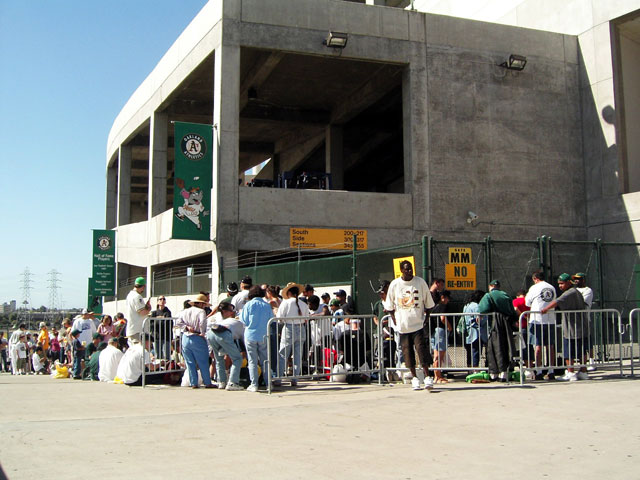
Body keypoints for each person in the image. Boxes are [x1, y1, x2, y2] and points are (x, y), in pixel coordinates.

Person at [383, 260, 436, 391]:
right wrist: (394, 319)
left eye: (411, 268)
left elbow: (429, 303)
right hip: (403, 326)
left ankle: (428, 376)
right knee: (407, 352)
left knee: (421, 350)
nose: (409, 271)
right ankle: (414, 378)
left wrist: (426, 318)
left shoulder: (420, 282)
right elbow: (389, 305)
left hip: (417, 324)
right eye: (406, 269)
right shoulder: (395, 284)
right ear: (401, 270)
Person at [541, 273, 589, 381]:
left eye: (562, 283)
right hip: (579, 326)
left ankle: (571, 372)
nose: (560, 286)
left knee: (569, 350)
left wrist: (545, 310)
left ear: (568, 283)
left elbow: (557, 302)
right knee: (581, 349)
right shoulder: (576, 292)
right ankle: (583, 370)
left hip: (572, 327)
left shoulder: (569, 292)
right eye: (559, 284)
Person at [479, 280, 518, 381]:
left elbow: (483, 309)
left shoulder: (489, 296)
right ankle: (505, 372)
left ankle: (495, 373)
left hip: (495, 325)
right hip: (506, 325)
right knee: (506, 347)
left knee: (494, 349)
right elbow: (513, 312)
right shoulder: (506, 295)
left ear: (490, 286)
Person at [176, 293, 215, 388]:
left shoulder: (185, 311)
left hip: (185, 337)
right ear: (201, 304)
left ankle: (193, 383)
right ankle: (207, 382)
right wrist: (202, 332)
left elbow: (178, 322)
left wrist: (187, 327)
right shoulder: (201, 312)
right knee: (203, 361)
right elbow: (202, 323)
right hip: (197, 337)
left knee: (190, 362)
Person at [525, 270, 558, 380]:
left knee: (537, 346)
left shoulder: (534, 288)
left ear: (535, 279)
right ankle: (551, 370)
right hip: (551, 320)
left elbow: (527, 302)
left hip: (537, 320)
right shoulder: (552, 287)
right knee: (550, 346)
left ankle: (539, 371)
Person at [240, 286, 273, 392]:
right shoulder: (267, 305)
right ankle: (268, 383)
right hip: (264, 335)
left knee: (252, 361)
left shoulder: (248, 305)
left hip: (250, 335)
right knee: (265, 360)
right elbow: (271, 319)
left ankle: (254, 384)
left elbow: (244, 320)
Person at [277, 282, 310, 385]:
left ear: (289, 292)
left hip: (289, 328)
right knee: (297, 355)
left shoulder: (285, 303)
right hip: (301, 328)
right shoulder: (304, 304)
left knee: (283, 354)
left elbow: (279, 318)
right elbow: (306, 318)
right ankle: (295, 378)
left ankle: (279, 378)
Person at [207, 301, 245, 390]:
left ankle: (221, 382)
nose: (232, 312)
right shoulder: (240, 324)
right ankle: (232, 382)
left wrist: (210, 349)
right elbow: (243, 339)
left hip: (211, 333)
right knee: (237, 358)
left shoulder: (223, 319)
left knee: (218, 359)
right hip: (224, 334)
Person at [460, 290, 488, 368]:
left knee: (470, 352)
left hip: (468, 332)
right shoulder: (476, 306)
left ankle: (470, 369)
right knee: (476, 352)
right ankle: (475, 369)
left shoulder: (466, 306)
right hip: (477, 333)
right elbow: (480, 319)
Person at [430, 290, 452, 383]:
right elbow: (442, 318)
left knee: (436, 355)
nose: (448, 300)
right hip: (441, 330)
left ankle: (436, 375)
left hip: (435, 331)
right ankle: (438, 376)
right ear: (443, 297)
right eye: (447, 298)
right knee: (440, 354)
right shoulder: (443, 306)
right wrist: (449, 326)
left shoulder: (435, 307)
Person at [126, 277, 151, 343]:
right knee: (140, 350)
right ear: (143, 286)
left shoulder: (129, 295)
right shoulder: (137, 296)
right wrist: (148, 309)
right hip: (138, 330)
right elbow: (142, 312)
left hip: (132, 329)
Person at [150, 295, 173, 360]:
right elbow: (151, 324)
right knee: (158, 356)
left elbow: (167, 323)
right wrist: (162, 318)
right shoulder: (154, 313)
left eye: (163, 299)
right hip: (156, 336)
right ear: (157, 302)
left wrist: (157, 319)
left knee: (166, 356)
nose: (162, 300)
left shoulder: (167, 312)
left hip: (166, 336)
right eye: (160, 299)